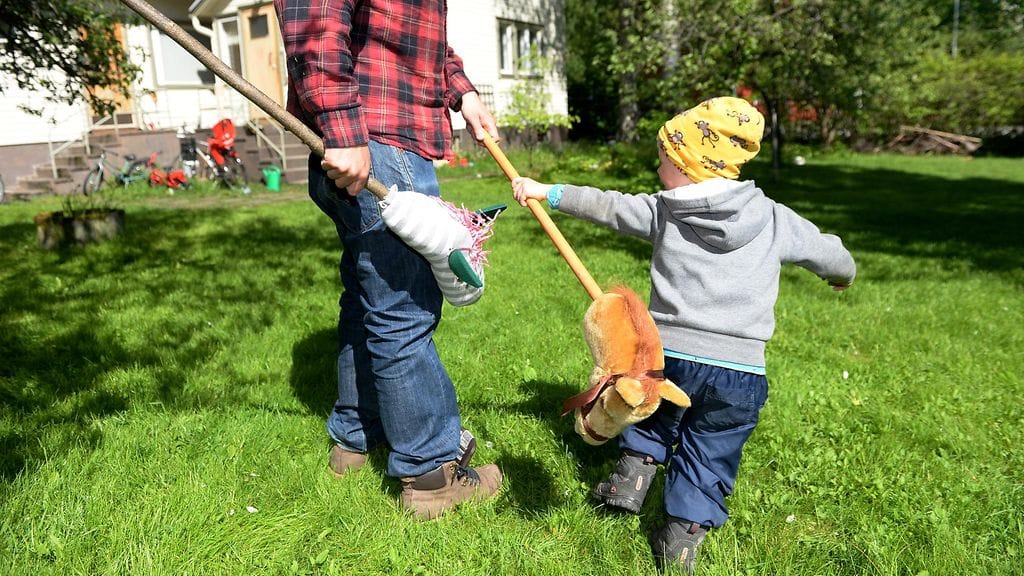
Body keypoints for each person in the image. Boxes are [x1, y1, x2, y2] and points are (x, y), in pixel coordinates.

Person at [511, 96, 855, 573]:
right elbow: (828, 253)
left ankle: (631, 478)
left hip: (668, 354)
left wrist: (548, 191)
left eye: (662, 159)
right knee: (713, 446)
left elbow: (608, 208)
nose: (657, 168)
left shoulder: (666, 212)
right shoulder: (775, 218)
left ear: (684, 165)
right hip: (740, 370)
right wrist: (844, 273)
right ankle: (682, 535)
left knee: (651, 411)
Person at [274, 0, 502, 520]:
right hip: (374, 148)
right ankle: (431, 473)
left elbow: (408, 39)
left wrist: (462, 92)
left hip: (373, 143)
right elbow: (315, 19)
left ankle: (356, 439)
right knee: (403, 312)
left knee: (367, 300)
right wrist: (343, 127)